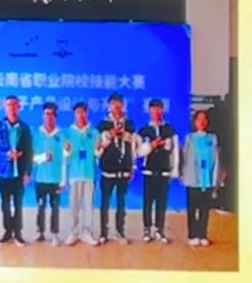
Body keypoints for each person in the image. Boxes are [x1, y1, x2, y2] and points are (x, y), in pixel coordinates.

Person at [0, 96, 33, 247]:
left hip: (19, 172)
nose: (12, 108)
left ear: (19, 107)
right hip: (3, 172)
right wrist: (6, 155)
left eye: (15, 105)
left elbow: (29, 151)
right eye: (9, 105)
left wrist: (28, 172)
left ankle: (18, 232)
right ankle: (8, 231)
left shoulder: (24, 128)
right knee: (5, 203)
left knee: (18, 203)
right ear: (5, 107)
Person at [97, 93, 137, 245]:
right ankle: (103, 232)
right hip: (107, 169)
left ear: (123, 105)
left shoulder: (129, 124)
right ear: (109, 106)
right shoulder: (103, 124)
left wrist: (133, 166)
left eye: (119, 103)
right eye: (113, 104)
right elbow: (98, 146)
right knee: (105, 203)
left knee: (121, 203)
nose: (117, 107)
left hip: (124, 169)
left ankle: (120, 231)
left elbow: (133, 146)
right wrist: (109, 134)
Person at [138, 98, 179, 244]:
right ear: (149, 111)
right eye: (153, 109)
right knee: (148, 202)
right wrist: (151, 145)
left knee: (162, 202)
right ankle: (147, 229)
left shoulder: (170, 130)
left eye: (159, 109)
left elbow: (175, 152)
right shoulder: (144, 131)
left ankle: (159, 229)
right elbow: (139, 152)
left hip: (164, 172)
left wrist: (174, 171)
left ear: (163, 110)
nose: (156, 112)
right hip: (149, 172)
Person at [181, 110, 223, 247]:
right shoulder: (189, 138)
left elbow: (217, 159)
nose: (202, 122)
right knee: (192, 209)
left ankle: (203, 234)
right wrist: (182, 174)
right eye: (199, 119)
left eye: (204, 119)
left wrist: (217, 177)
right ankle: (192, 234)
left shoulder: (213, 138)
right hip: (193, 178)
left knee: (205, 209)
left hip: (208, 179)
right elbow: (184, 158)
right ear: (195, 122)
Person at [63, 101, 99, 246]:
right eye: (78, 112)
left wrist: (99, 149)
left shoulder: (94, 132)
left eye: (83, 112)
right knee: (74, 206)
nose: (81, 115)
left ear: (87, 113)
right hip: (74, 174)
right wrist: (66, 150)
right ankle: (73, 232)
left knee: (88, 205)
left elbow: (97, 154)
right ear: (74, 114)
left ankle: (87, 233)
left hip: (89, 173)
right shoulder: (68, 133)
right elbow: (66, 156)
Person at [32, 102, 67, 246]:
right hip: (41, 178)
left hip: (55, 179)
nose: (49, 117)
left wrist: (63, 181)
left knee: (55, 208)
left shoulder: (62, 135)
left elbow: (65, 159)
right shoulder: (37, 134)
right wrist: (43, 158)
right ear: (43, 115)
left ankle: (55, 234)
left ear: (56, 116)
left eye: (52, 114)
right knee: (41, 206)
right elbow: (32, 157)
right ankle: (40, 232)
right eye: (46, 114)